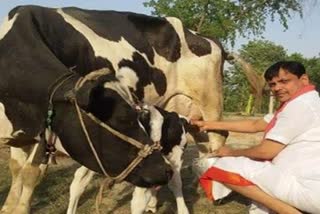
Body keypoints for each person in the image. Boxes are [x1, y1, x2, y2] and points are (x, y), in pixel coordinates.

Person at [191, 61, 320, 214]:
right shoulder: (306, 101)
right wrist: (207, 124)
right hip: (306, 183)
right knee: (258, 203)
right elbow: (255, 125)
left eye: (284, 81)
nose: (277, 88)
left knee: (220, 164)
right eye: (272, 84)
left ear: (303, 80)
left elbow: (266, 152)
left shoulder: (299, 106)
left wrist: (230, 152)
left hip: (308, 190)